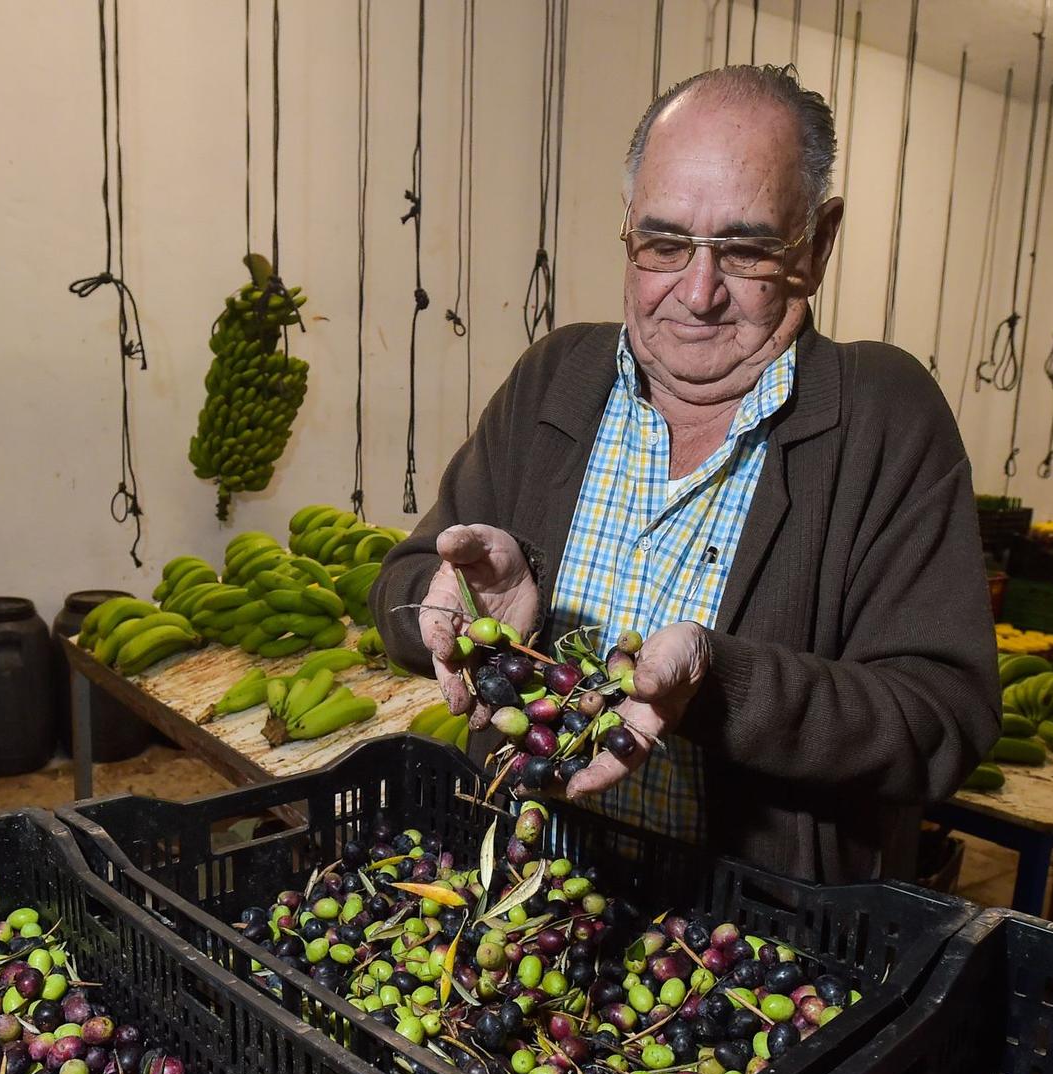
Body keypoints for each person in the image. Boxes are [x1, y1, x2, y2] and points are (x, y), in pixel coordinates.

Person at [369, 64, 998, 883]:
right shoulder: (557, 378)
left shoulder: (884, 417)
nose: (697, 294)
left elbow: (943, 721)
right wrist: (460, 610)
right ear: (627, 229)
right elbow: (404, 584)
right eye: (663, 244)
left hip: (742, 955)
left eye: (746, 249)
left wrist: (720, 682)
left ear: (817, 243)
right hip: (527, 902)